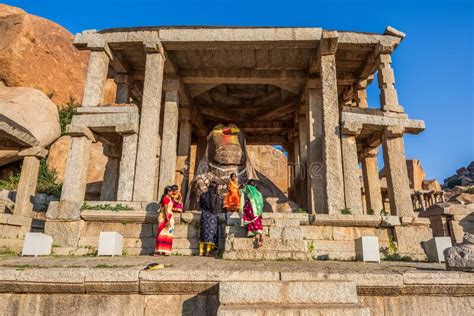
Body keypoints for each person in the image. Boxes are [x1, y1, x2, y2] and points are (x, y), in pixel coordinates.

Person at [198, 181, 222, 256]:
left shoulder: (203, 195)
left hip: (204, 215)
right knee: (210, 234)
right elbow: (217, 208)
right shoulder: (216, 196)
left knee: (203, 233)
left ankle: (201, 251)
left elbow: (200, 205)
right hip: (213, 216)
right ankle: (208, 252)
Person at [240, 179, 264, 247]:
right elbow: (261, 203)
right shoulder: (258, 192)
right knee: (257, 223)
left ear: (248, 185)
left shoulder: (248, 190)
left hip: (251, 211)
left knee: (252, 221)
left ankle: (257, 236)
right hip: (258, 212)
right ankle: (259, 236)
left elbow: (241, 191)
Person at [155, 186, 175, 256]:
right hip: (165, 217)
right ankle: (158, 251)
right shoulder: (166, 199)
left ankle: (164, 250)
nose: (173, 192)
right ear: (168, 192)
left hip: (169, 216)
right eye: (172, 191)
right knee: (162, 233)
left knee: (168, 233)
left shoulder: (169, 198)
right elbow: (165, 210)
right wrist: (168, 220)